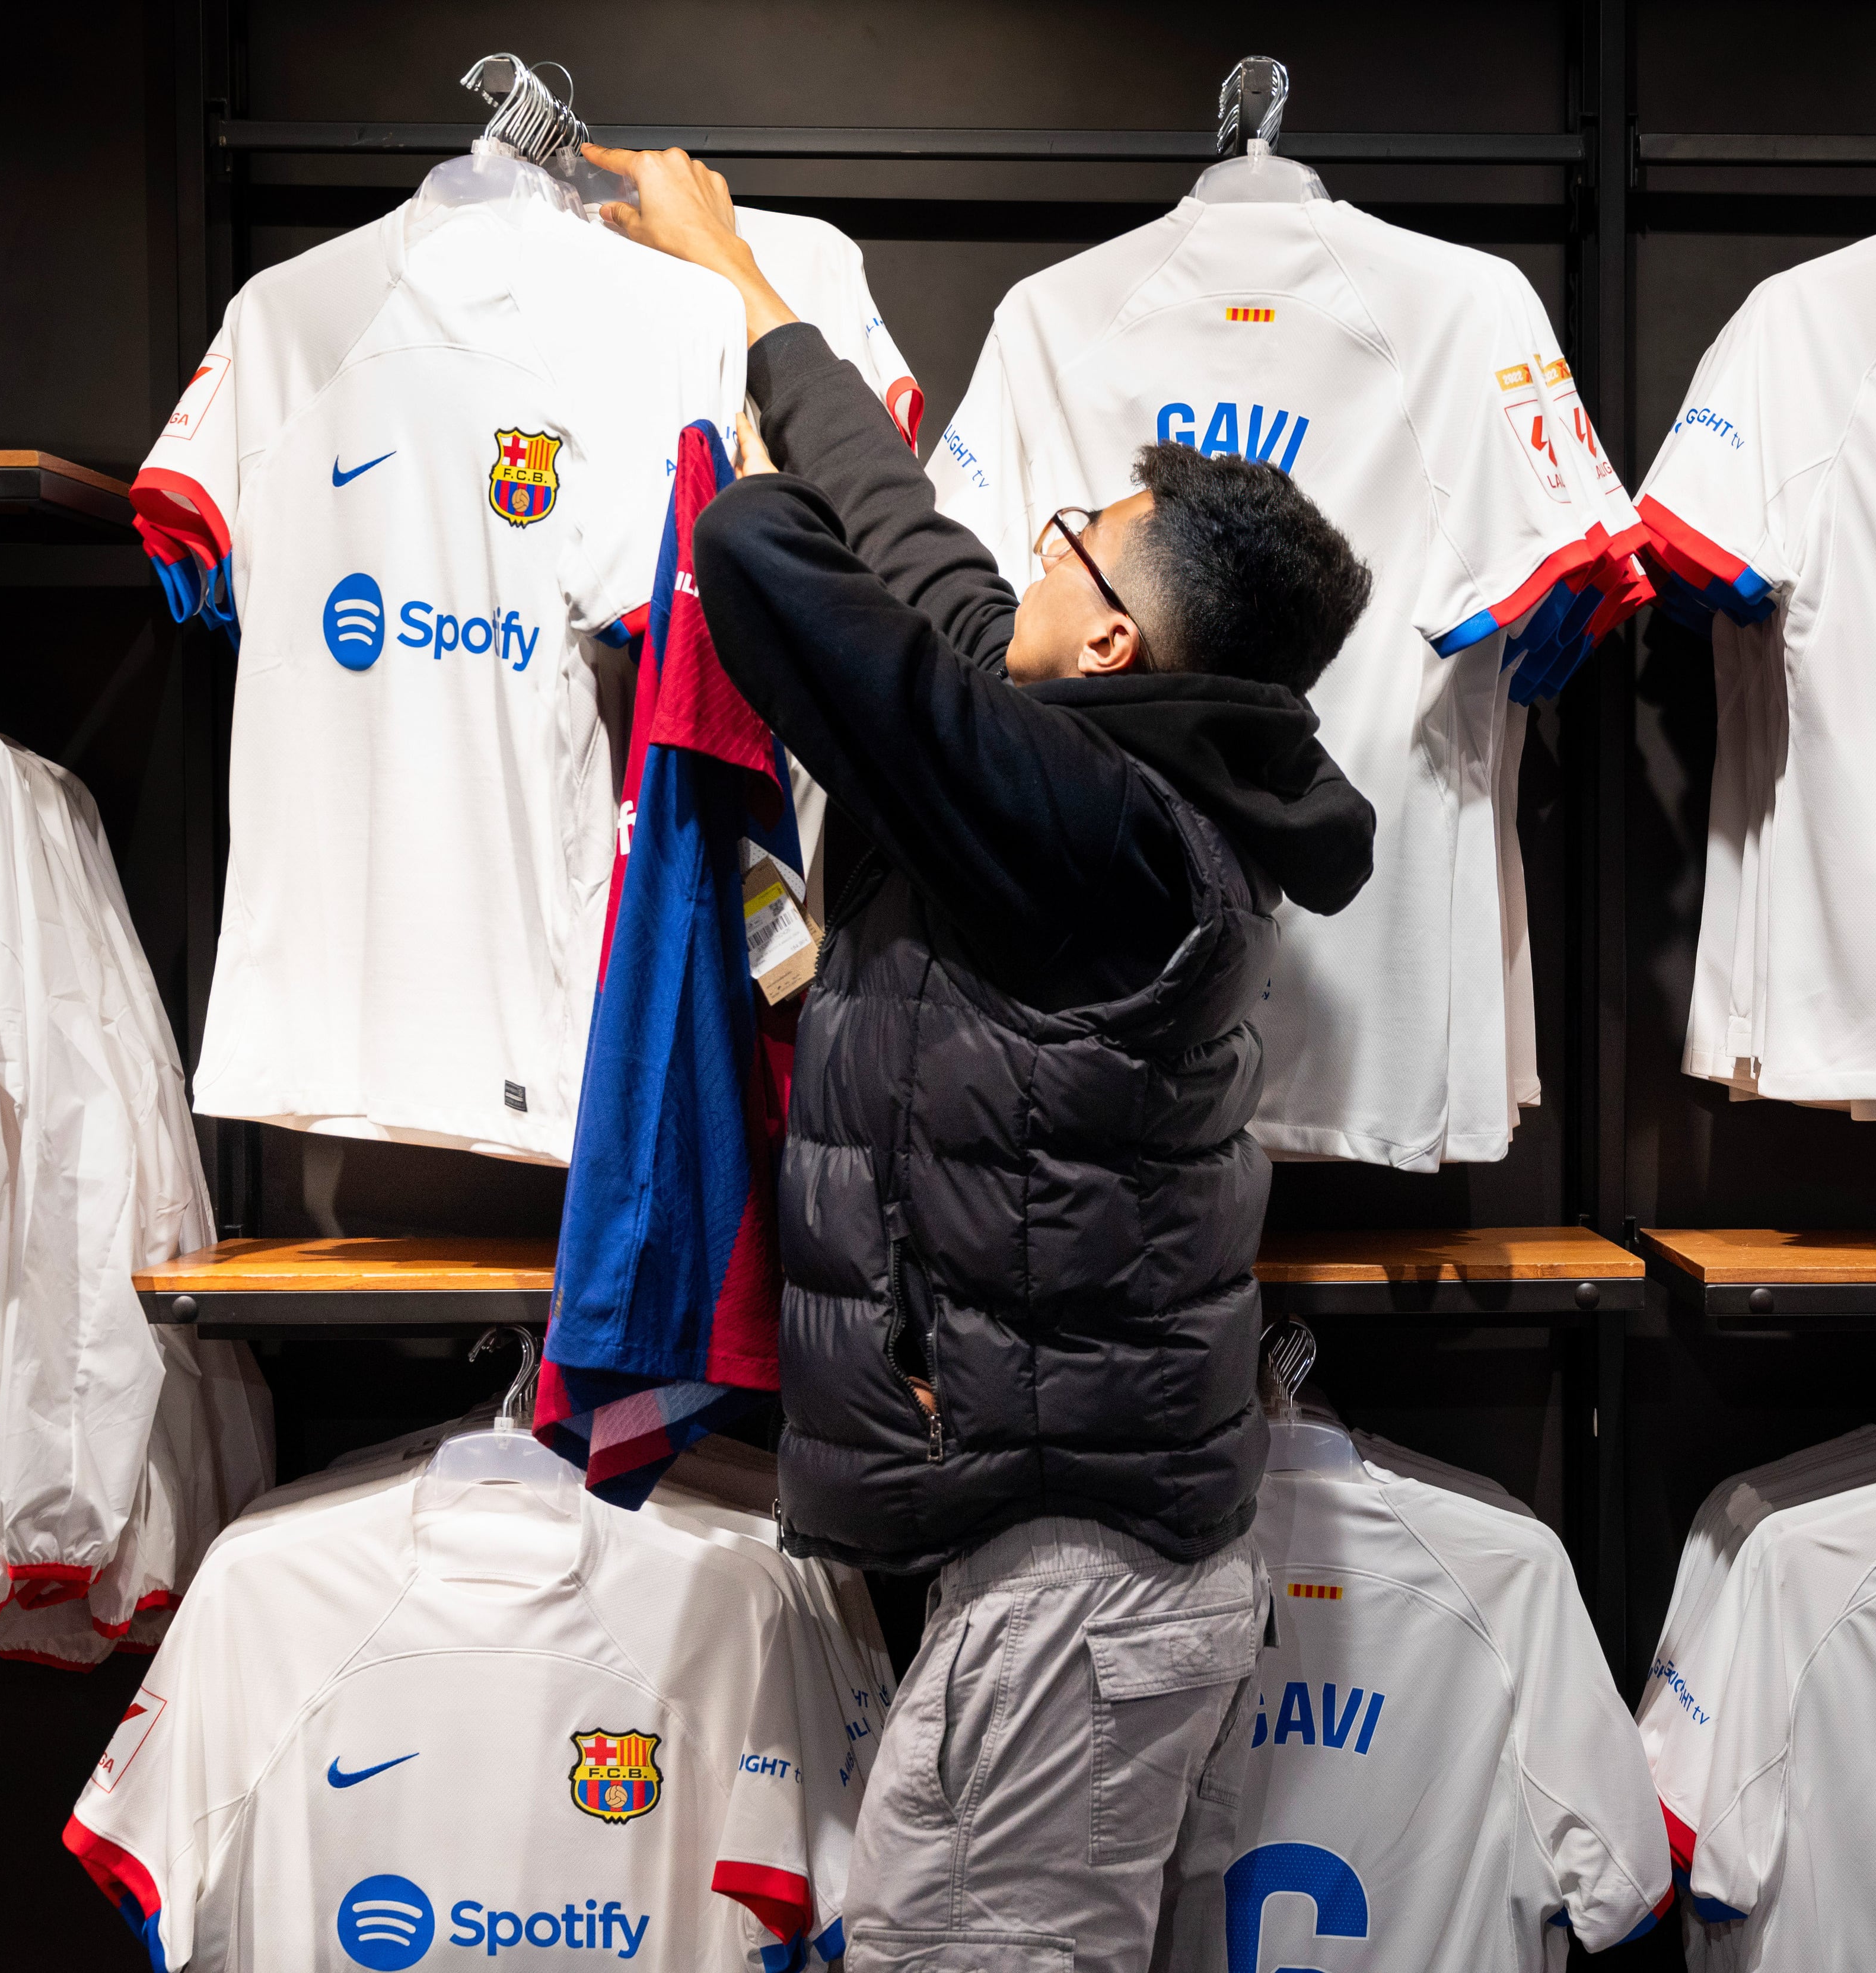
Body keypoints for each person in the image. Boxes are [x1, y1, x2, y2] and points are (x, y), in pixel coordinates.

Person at [585, 145, 1378, 1971]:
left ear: (1105, 635)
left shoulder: (1093, 827)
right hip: (1069, 1568)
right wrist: (745, 289)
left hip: (1070, 1588)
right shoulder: (1111, 775)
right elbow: (915, 555)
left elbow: (770, 564)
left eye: (1067, 536)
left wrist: (724, 464)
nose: (1029, 547)